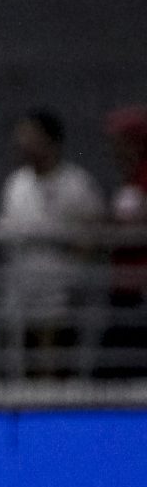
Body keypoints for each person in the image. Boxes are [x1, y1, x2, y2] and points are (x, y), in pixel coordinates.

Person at [0, 108, 105, 380]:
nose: (20, 142)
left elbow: (94, 236)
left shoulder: (76, 184)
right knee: (24, 370)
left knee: (55, 369)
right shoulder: (16, 183)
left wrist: (64, 250)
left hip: (59, 296)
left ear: (49, 139)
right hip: (21, 293)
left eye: (28, 135)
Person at [99, 106, 147, 379]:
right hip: (123, 291)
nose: (113, 150)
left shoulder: (143, 180)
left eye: (118, 142)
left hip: (138, 294)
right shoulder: (130, 181)